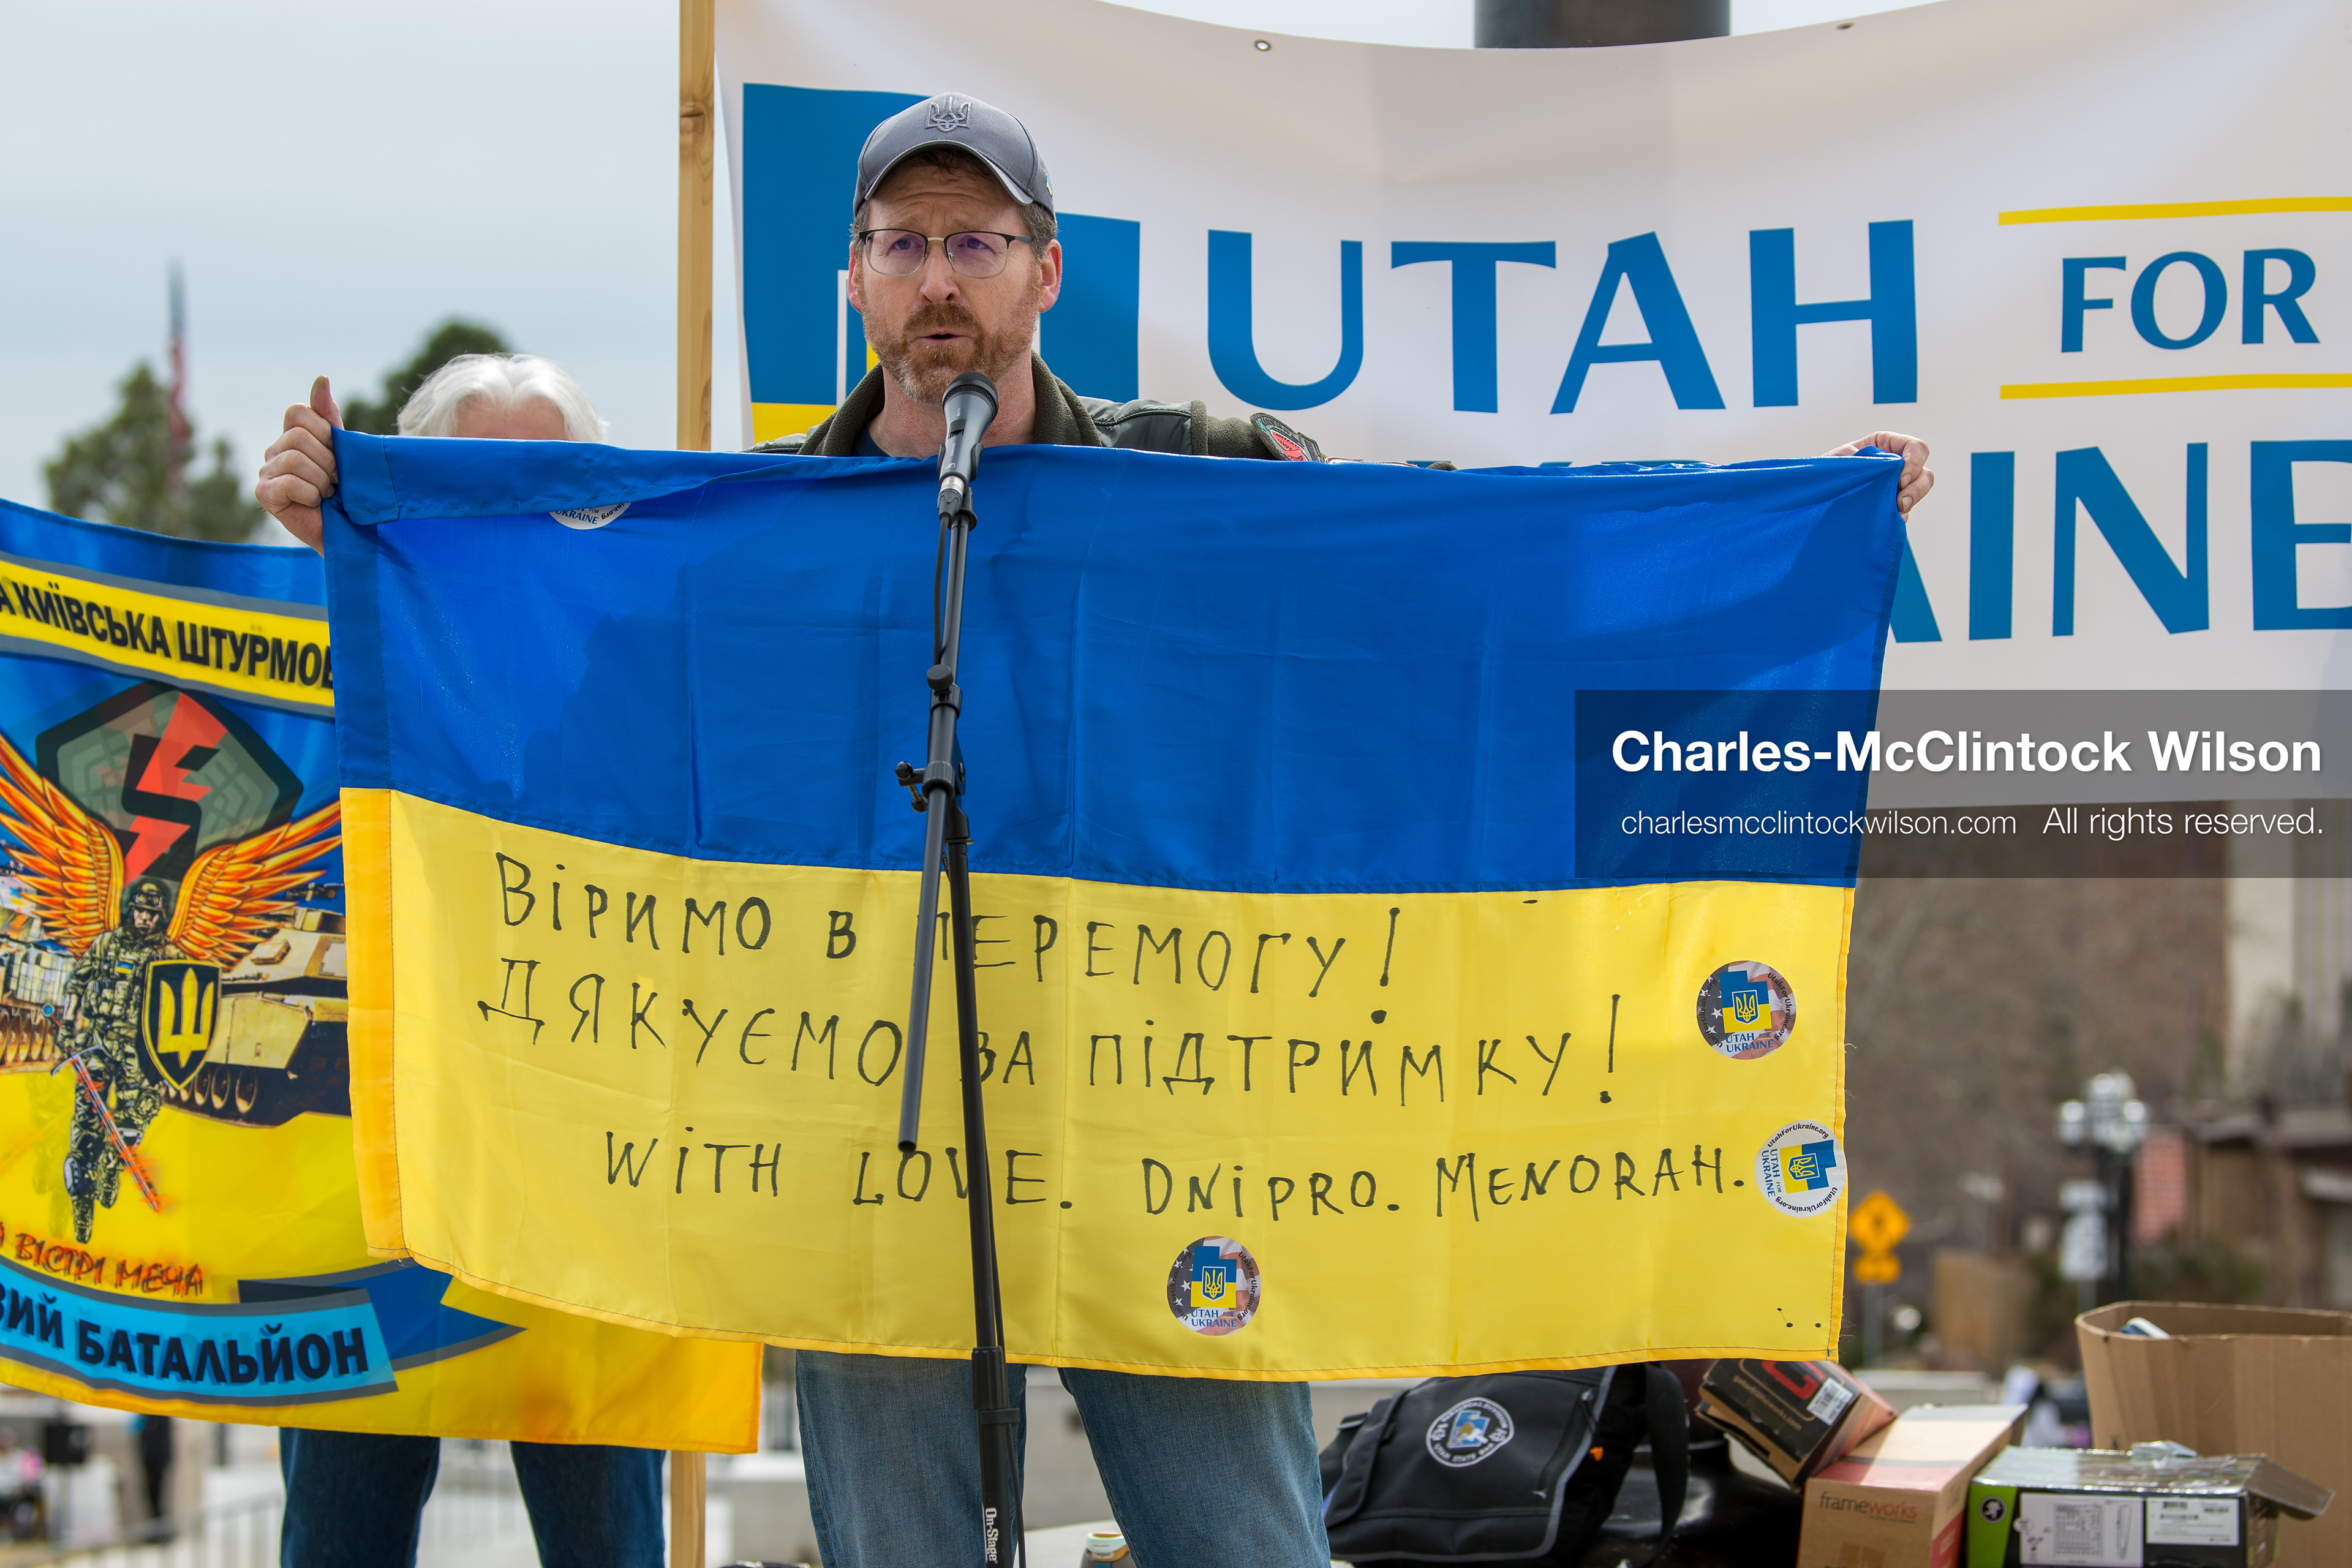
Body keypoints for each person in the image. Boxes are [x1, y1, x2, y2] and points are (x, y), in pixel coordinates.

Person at [257, 95, 1936, 1568]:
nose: (938, 278)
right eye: (903, 241)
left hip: (1167, 1127)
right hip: (864, 1140)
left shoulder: (1204, 471)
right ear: (849, 276)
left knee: (1239, 1537)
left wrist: (1794, 524)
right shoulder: (757, 530)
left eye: (976, 239)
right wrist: (364, 548)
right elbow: (548, 728)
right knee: (895, 1542)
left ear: (1046, 269)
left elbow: (1456, 584)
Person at [255, 354, 663, 1568]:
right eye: (474, 482)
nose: (509, 520)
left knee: (607, 1538)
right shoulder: (343, 638)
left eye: (543, 486)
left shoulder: (640, 675)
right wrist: (320, 551)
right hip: (372, 1162)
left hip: (578, 1172)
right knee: (341, 1530)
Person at [59, 878, 186, 1243]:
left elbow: (185, 1006)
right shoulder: (106, 944)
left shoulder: (170, 957)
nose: (145, 918)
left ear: (161, 916)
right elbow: (77, 983)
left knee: (134, 1119)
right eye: (141, 911)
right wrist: (68, 1026)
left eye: (153, 913)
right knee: (86, 1125)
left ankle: (113, 1161)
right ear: (133, 910)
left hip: (140, 1053)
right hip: (98, 1043)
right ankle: (82, 1202)